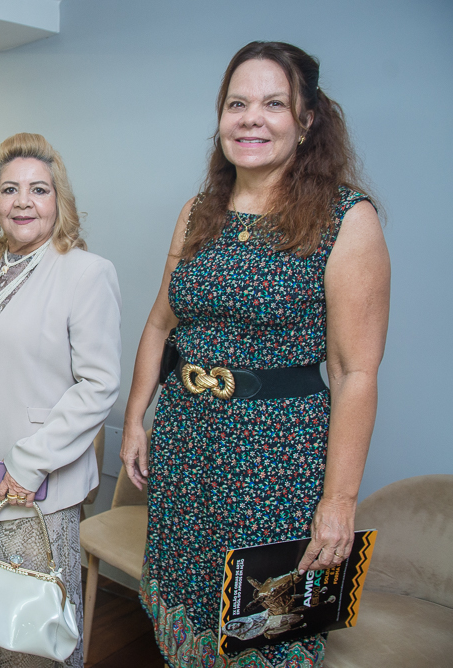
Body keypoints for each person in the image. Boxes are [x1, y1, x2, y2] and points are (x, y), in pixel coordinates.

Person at [120, 42, 389, 667]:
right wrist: (137, 417)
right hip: (187, 448)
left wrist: (339, 501)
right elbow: (162, 323)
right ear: (220, 117)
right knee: (188, 619)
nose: (251, 118)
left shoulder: (348, 219)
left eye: (274, 104)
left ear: (307, 119)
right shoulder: (198, 213)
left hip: (279, 465)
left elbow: (356, 374)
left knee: (267, 635)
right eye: (237, 103)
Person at [0, 133, 122, 668]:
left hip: (30, 477)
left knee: (26, 623)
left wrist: (30, 462)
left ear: (58, 202)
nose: (23, 202)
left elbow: (98, 386)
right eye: (10, 189)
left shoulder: (85, 272)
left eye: (38, 190)